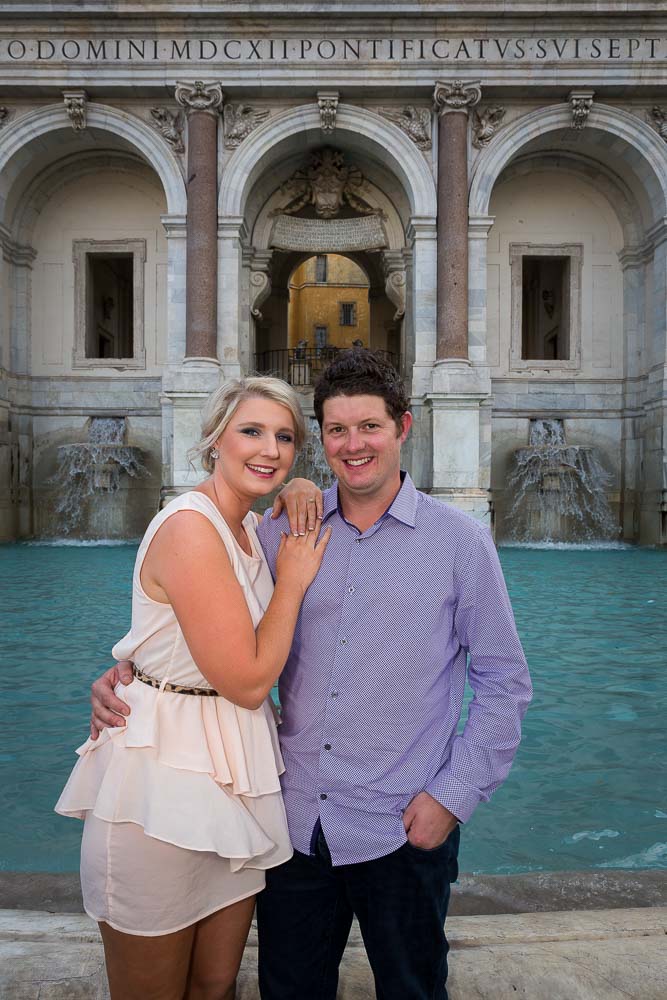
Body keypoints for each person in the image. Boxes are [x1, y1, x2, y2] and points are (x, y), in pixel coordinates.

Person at [91, 350, 532, 1000]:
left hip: (401, 826)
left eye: (369, 427)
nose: (353, 445)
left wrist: (453, 796)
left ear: (402, 426)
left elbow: (503, 682)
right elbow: (195, 619)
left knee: (413, 989)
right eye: (336, 430)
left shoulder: (459, 542)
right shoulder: (278, 533)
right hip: (290, 826)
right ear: (321, 440)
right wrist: (128, 673)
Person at [56, 376, 330, 1000]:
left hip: (233, 776)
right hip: (160, 784)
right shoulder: (188, 527)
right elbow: (248, 682)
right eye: (251, 432)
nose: (270, 449)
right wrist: (292, 581)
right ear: (213, 441)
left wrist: (304, 488)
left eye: (285, 438)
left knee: (213, 986)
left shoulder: (250, 529)